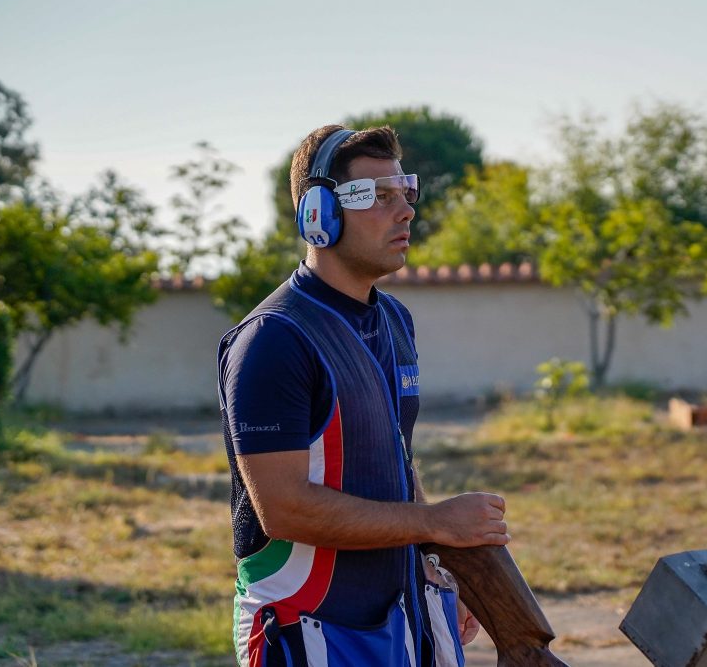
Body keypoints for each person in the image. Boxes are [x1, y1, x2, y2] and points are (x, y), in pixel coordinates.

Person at [217, 124, 509, 667]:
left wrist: (437, 564)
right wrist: (436, 523)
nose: (406, 211)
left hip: (401, 614)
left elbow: (396, 461)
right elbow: (282, 509)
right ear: (319, 214)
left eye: (406, 191)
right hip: (307, 625)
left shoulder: (394, 320)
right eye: (377, 195)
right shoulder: (273, 339)